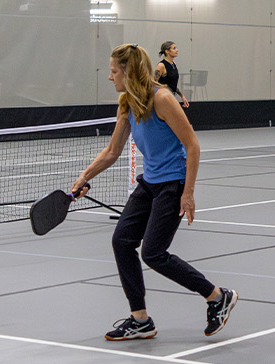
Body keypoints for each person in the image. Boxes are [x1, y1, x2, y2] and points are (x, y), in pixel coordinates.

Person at [72, 44, 237, 341]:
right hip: (149, 183)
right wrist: (84, 176)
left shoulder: (162, 99)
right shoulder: (127, 103)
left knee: (153, 253)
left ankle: (217, 296)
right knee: (122, 241)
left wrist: (188, 194)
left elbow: (192, 146)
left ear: (129, 72)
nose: (110, 77)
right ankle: (140, 320)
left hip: (173, 184)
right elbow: (112, 151)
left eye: (114, 71)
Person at [154, 41, 189, 109]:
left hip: (170, 97)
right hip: (163, 99)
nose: (177, 50)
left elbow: (172, 84)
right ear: (167, 51)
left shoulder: (174, 64)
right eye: (174, 48)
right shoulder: (161, 66)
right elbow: (154, 83)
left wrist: (182, 96)